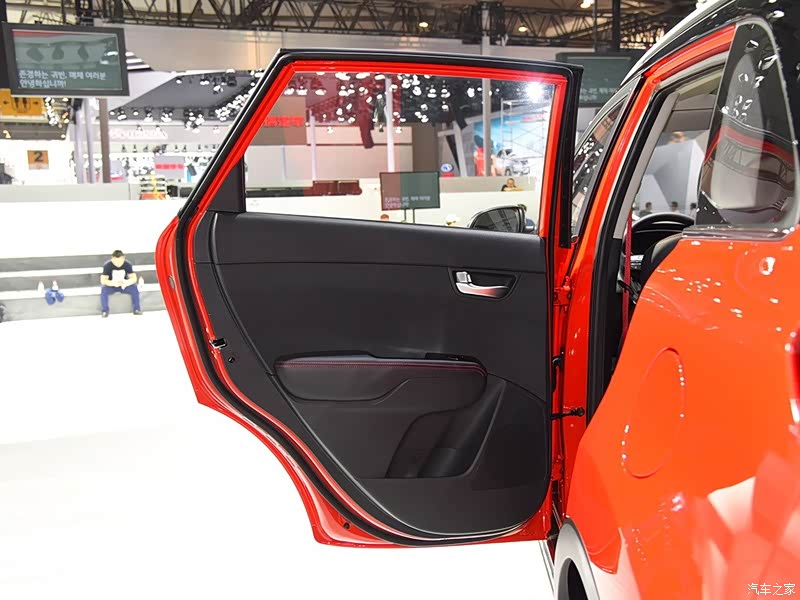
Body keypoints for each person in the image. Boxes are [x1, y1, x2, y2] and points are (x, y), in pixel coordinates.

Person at [100, 250, 142, 317]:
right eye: (116, 261)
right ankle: (105, 311)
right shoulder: (107, 265)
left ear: (123, 258)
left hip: (124, 285)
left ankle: (136, 309)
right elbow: (103, 280)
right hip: (112, 286)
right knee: (104, 290)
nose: (118, 264)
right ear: (112, 258)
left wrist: (126, 282)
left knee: (134, 288)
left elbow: (134, 278)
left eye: (120, 261)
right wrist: (113, 283)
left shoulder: (127, 264)